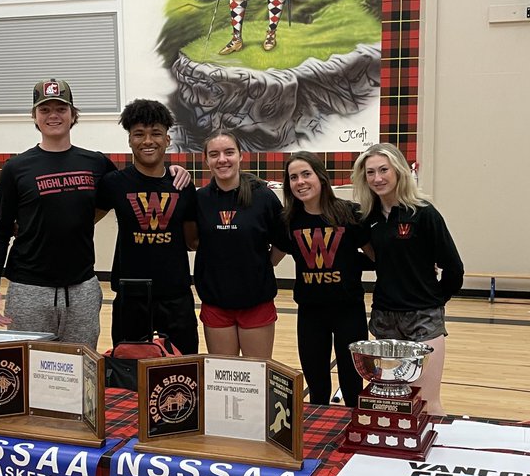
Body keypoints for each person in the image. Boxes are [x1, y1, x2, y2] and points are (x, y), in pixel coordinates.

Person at [0, 79, 116, 344]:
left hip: (82, 290)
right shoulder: (16, 168)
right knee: (32, 369)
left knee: (82, 369)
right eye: (45, 110)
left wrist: (171, 172)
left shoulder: (96, 163)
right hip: (29, 289)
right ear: (34, 116)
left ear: (73, 114)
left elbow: (128, 188)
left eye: (61, 108)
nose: (53, 115)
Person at [352, 143, 463, 415]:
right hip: (384, 318)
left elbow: (454, 268)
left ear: (399, 171)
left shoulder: (423, 213)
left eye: (383, 170)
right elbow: (379, 259)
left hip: (423, 318)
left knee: (427, 403)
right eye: (370, 173)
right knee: (391, 403)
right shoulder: (369, 218)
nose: (377, 178)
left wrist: (434, 301)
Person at [96, 98, 199, 353]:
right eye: (139, 134)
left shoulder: (183, 185)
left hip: (175, 293)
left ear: (167, 140)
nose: (148, 141)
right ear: (130, 140)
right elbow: (82, 222)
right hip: (131, 294)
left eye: (156, 133)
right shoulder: (114, 183)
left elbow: (191, 241)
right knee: (129, 370)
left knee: (182, 368)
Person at [271, 151, 368, 406]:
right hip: (311, 311)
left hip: (349, 310)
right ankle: (320, 437)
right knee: (317, 384)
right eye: (293, 177)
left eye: (306, 174)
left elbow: (377, 256)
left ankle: (353, 436)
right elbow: (271, 260)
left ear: (321, 177)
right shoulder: (288, 220)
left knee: (352, 382)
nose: (300, 182)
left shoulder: (350, 213)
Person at [193, 130, 282, 357]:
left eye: (229, 152)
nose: (222, 159)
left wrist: (264, 265)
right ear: (206, 160)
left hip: (256, 302)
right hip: (216, 303)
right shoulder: (199, 199)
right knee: (225, 381)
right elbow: (192, 241)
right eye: (214, 154)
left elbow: (282, 240)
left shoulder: (262, 197)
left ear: (241, 156)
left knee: (256, 377)